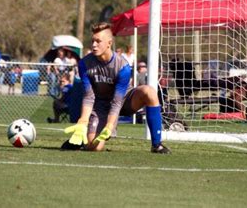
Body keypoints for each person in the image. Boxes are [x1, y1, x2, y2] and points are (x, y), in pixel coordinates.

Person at [63, 22, 170, 153]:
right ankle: (82, 140)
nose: (94, 45)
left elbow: (117, 101)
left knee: (149, 92)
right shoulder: (84, 64)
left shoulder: (122, 66)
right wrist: (83, 121)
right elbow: (88, 96)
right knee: (93, 147)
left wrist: (109, 125)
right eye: (92, 41)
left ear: (109, 43)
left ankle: (156, 145)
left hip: (124, 101)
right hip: (100, 105)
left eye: (98, 41)